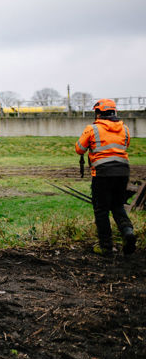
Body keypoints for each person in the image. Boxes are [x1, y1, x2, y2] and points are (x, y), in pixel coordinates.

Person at [75, 98, 136, 255]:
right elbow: (125, 145)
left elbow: (79, 149)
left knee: (101, 209)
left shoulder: (92, 129)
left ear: (98, 113)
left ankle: (106, 247)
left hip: (102, 174)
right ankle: (128, 231)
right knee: (117, 205)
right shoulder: (125, 129)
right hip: (123, 172)